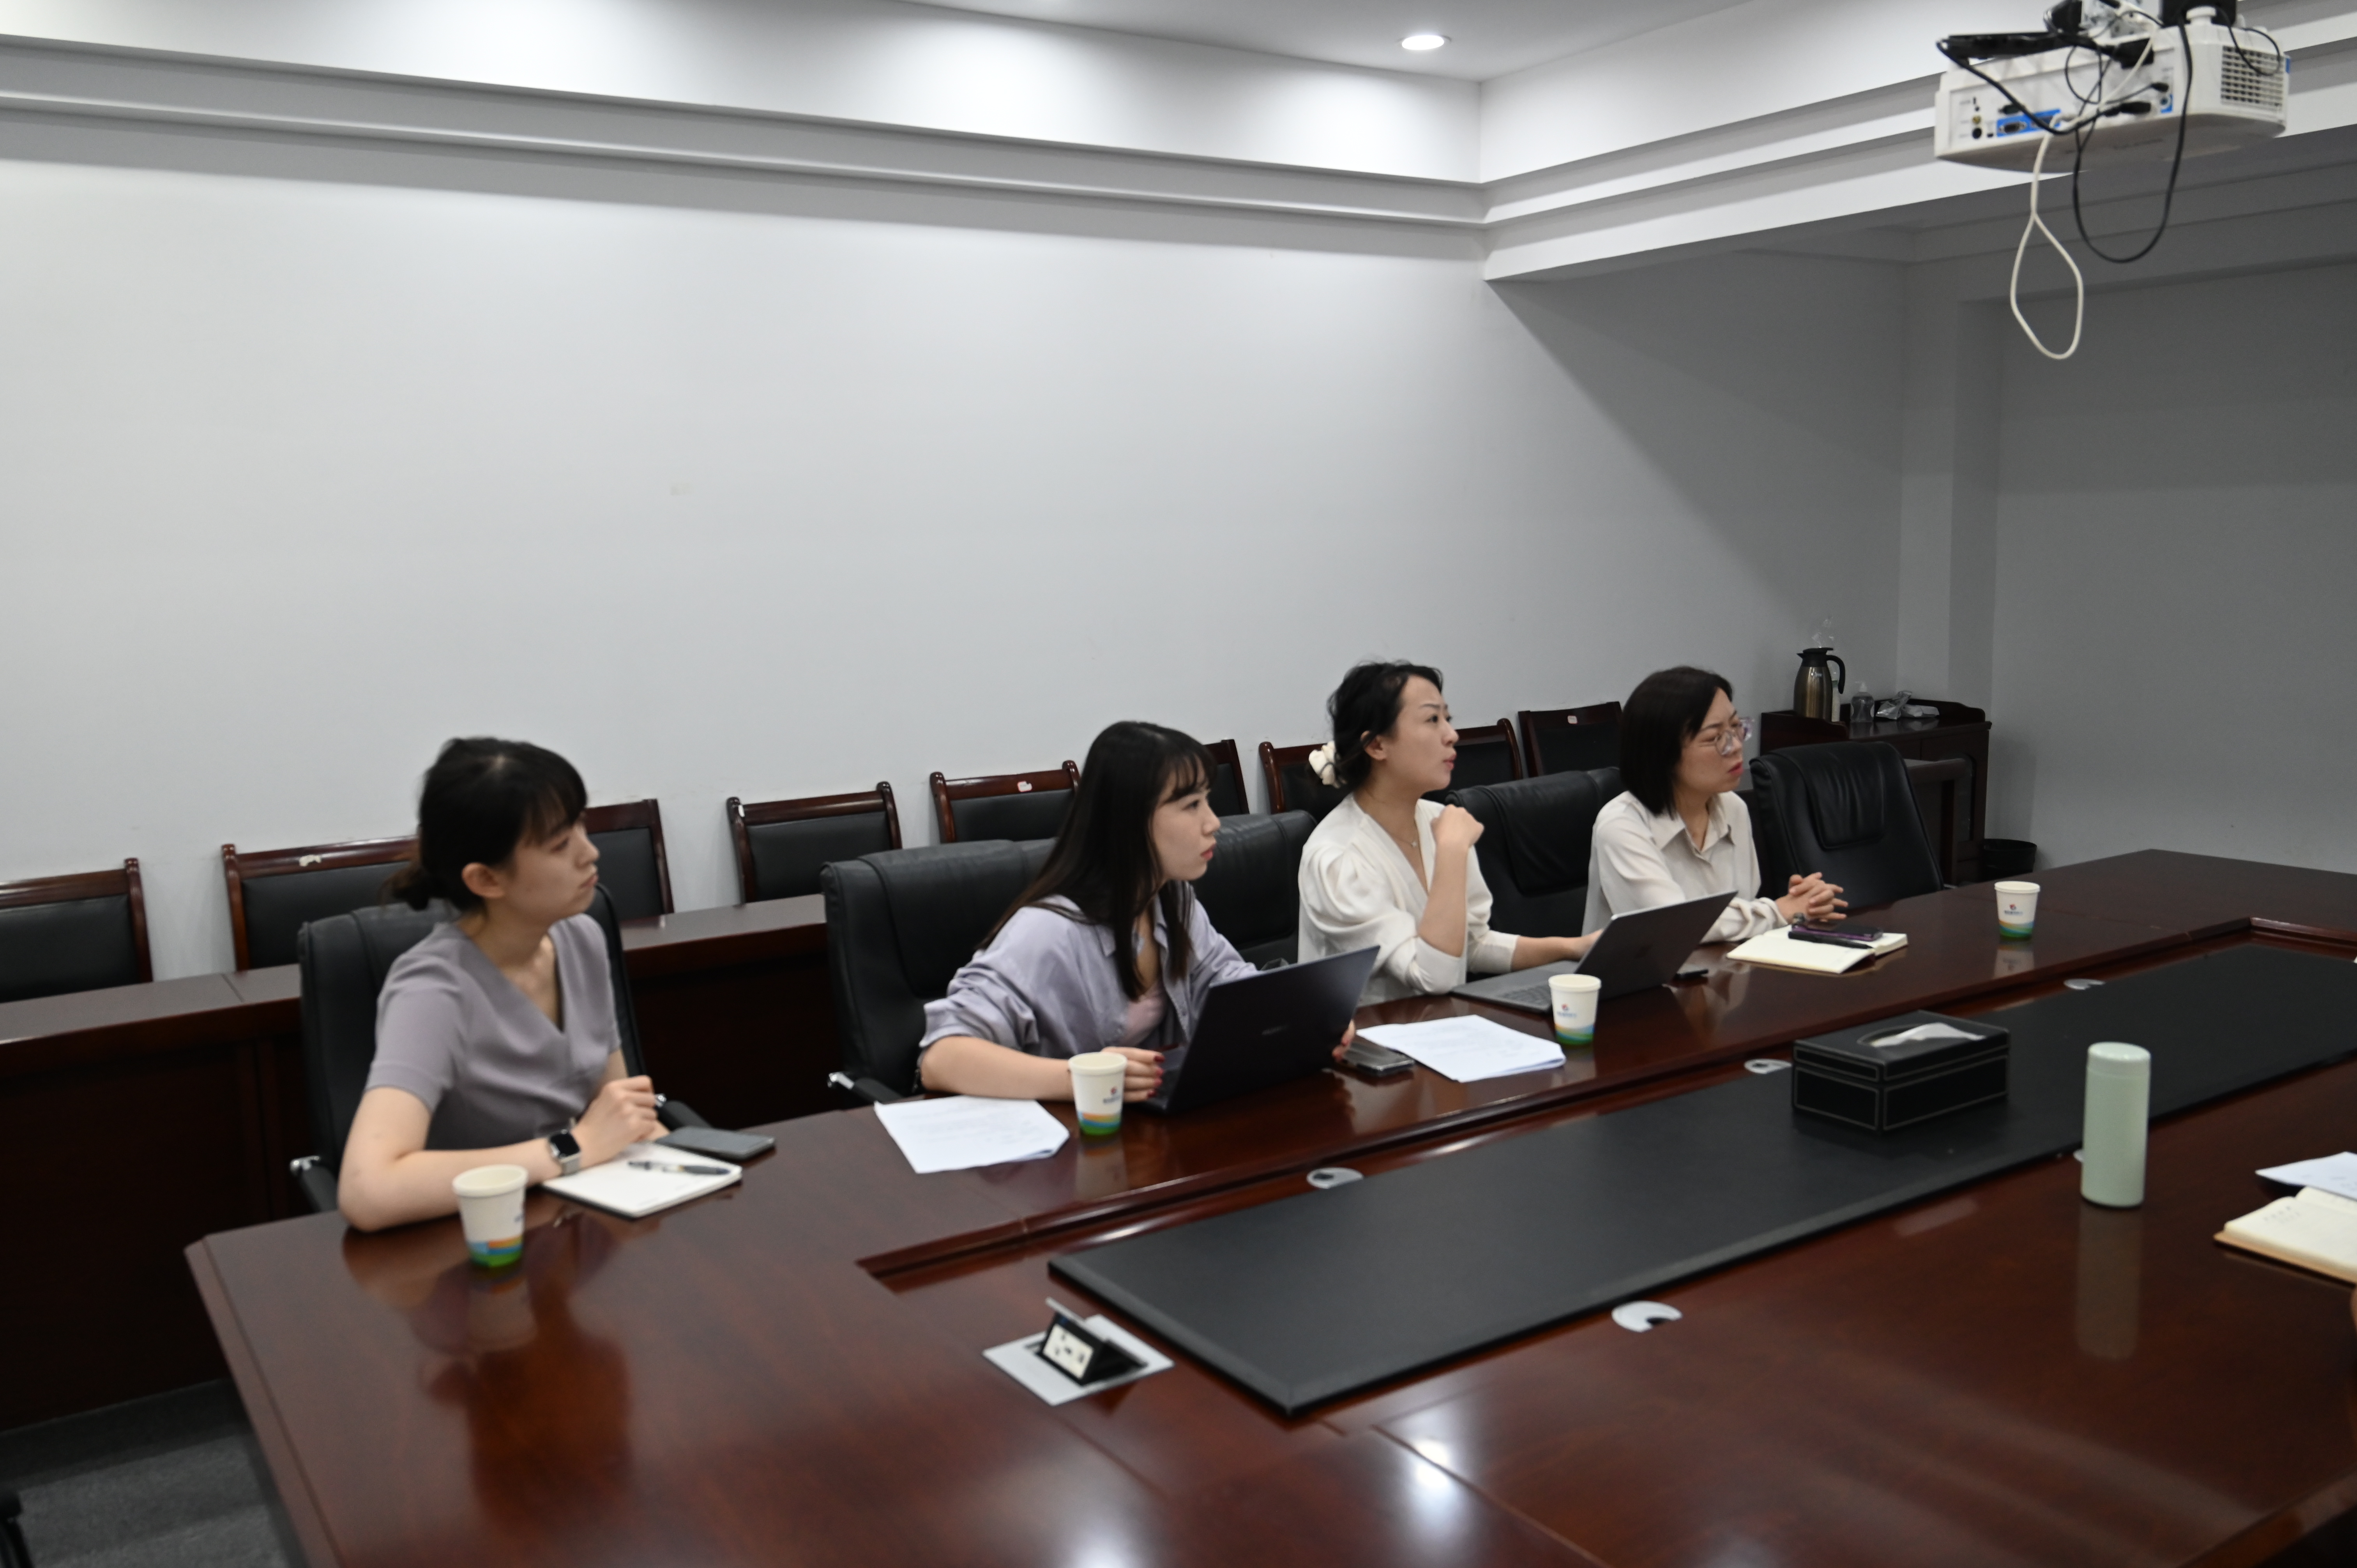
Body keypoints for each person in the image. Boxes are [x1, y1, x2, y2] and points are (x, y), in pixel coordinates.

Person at [920, 720, 1348, 1101]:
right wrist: (1087, 1078)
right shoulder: (1048, 930)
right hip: (1061, 1143)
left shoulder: (1172, 899)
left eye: (1207, 800)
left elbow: (1227, 984)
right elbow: (942, 1058)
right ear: (1131, 819)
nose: (1213, 822)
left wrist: (1303, 1013)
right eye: (1191, 805)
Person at [338, 738, 666, 1232]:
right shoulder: (432, 991)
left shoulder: (582, 938)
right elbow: (369, 1189)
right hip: (473, 1241)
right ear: (487, 880)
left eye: (580, 824)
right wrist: (572, 1147)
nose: (590, 852)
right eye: (560, 844)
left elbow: (620, 1111)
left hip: (572, 1223)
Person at [1297, 661, 1599, 1004]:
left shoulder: (1439, 819)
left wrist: (1574, 948)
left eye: (1448, 718)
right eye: (1432, 720)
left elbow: (1471, 945)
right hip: (1368, 1034)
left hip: (1441, 1024)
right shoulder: (1337, 857)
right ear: (1377, 746)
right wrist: (1452, 850)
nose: (1452, 735)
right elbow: (1433, 976)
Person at [1586, 666, 1846, 945]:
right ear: (1662, 754)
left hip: (1721, 966)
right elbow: (1672, 926)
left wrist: (1803, 905)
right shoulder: (1622, 826)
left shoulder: (1733, 808)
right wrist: (1779, 911)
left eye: (1736, 727)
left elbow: (1742, 909)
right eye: (1714, 738)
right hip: (1643, 974)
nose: (1736, 746)